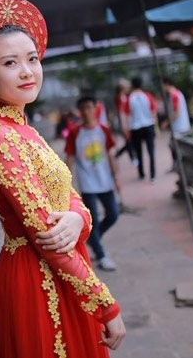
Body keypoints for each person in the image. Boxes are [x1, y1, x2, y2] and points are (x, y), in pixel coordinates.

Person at [0, 0, 125, 358]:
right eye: (11, 63)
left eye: (32, 59)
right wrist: (105, 306)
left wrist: (79, 217)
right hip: (37, 277)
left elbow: (65, 193)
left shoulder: (23, 128)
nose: (28, 70)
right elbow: (45, 232)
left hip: (63, 269)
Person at [65, 96, 120, 271]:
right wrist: (67, 184)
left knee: (113, 214)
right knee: (92, 220)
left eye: (89, 107)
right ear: (79, 111)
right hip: (88, 183)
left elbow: (110, 154)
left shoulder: (103, 130)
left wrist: (116, 177)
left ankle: (95, 239)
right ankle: (102, 255)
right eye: (83, 108)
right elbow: (70, 158)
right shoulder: (75, 133)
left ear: (95, 108)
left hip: (105, 180)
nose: (86, 111)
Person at [128, 77, 157, 182]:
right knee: (151, 152)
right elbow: (153, 112)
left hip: (135, 128)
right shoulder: (147, 96)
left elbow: (127, 115)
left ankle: (141, 173)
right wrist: (156, 128)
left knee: (138, 152)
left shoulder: (130, 98)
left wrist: (126, 130)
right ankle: (153, 175)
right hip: (149, 125)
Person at [162, 77, 191, 171]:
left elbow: (176, 113)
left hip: (179, 127)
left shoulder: (173, 94)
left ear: (166, 84)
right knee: (174, 146)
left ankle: (178, 166)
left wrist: (166, 122)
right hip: (182, 126)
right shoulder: (177, 93)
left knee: (174, 146)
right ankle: (178, 166)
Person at [113, 78, 136, 165]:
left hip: (126, 120)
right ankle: (132, 158)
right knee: (128, 141)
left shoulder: (124, 97)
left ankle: (121, 155)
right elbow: (120, 112)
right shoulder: (120, 98)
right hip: (123, 121)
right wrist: (123, 124)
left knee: (129, 141)